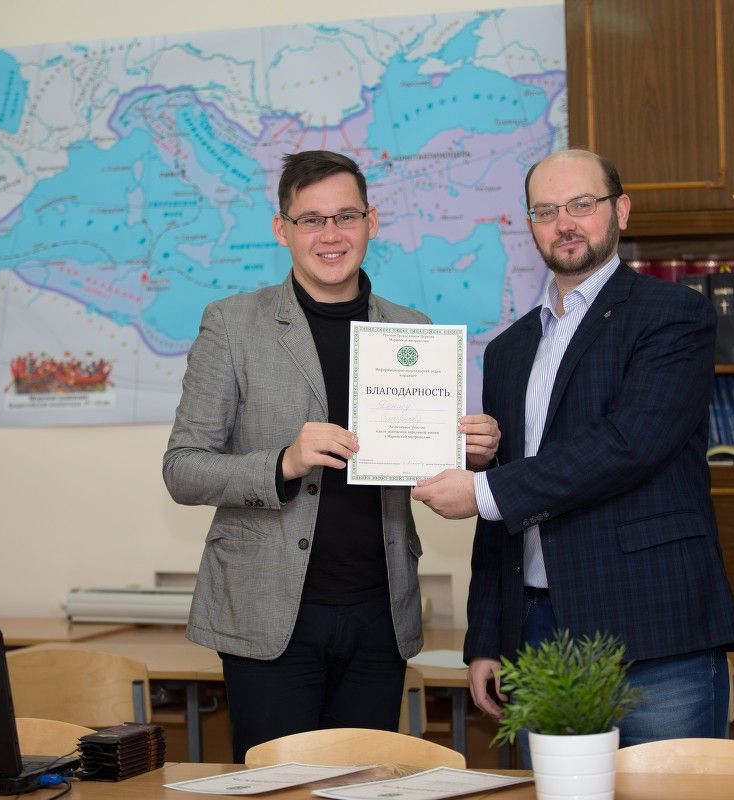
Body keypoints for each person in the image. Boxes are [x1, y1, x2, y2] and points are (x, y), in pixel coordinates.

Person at [163, 150, 500, 763]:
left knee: (367, 787)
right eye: (311, 219)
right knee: (278, 787)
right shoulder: (232, 326)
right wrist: (283, 463)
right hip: (268, 617)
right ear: (281, 229)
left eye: (345, 216)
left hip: (380, 616)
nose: (330, 234)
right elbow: (183, 468)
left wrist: (473, 451)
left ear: (372, 222)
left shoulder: (412, 330)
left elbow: (427, 461)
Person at [412, 148, 734, 747]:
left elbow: (630, 444)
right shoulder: (509, 350)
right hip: (537, 629)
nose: (563, 223)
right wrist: (487, 637)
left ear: (621, 210)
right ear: (530, 225)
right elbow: (504, 512)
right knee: (551, 790)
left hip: (653, 624)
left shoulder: (674, 316)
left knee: (670, 792)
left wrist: (486, 489)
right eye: (545, 211)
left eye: (581, 205)